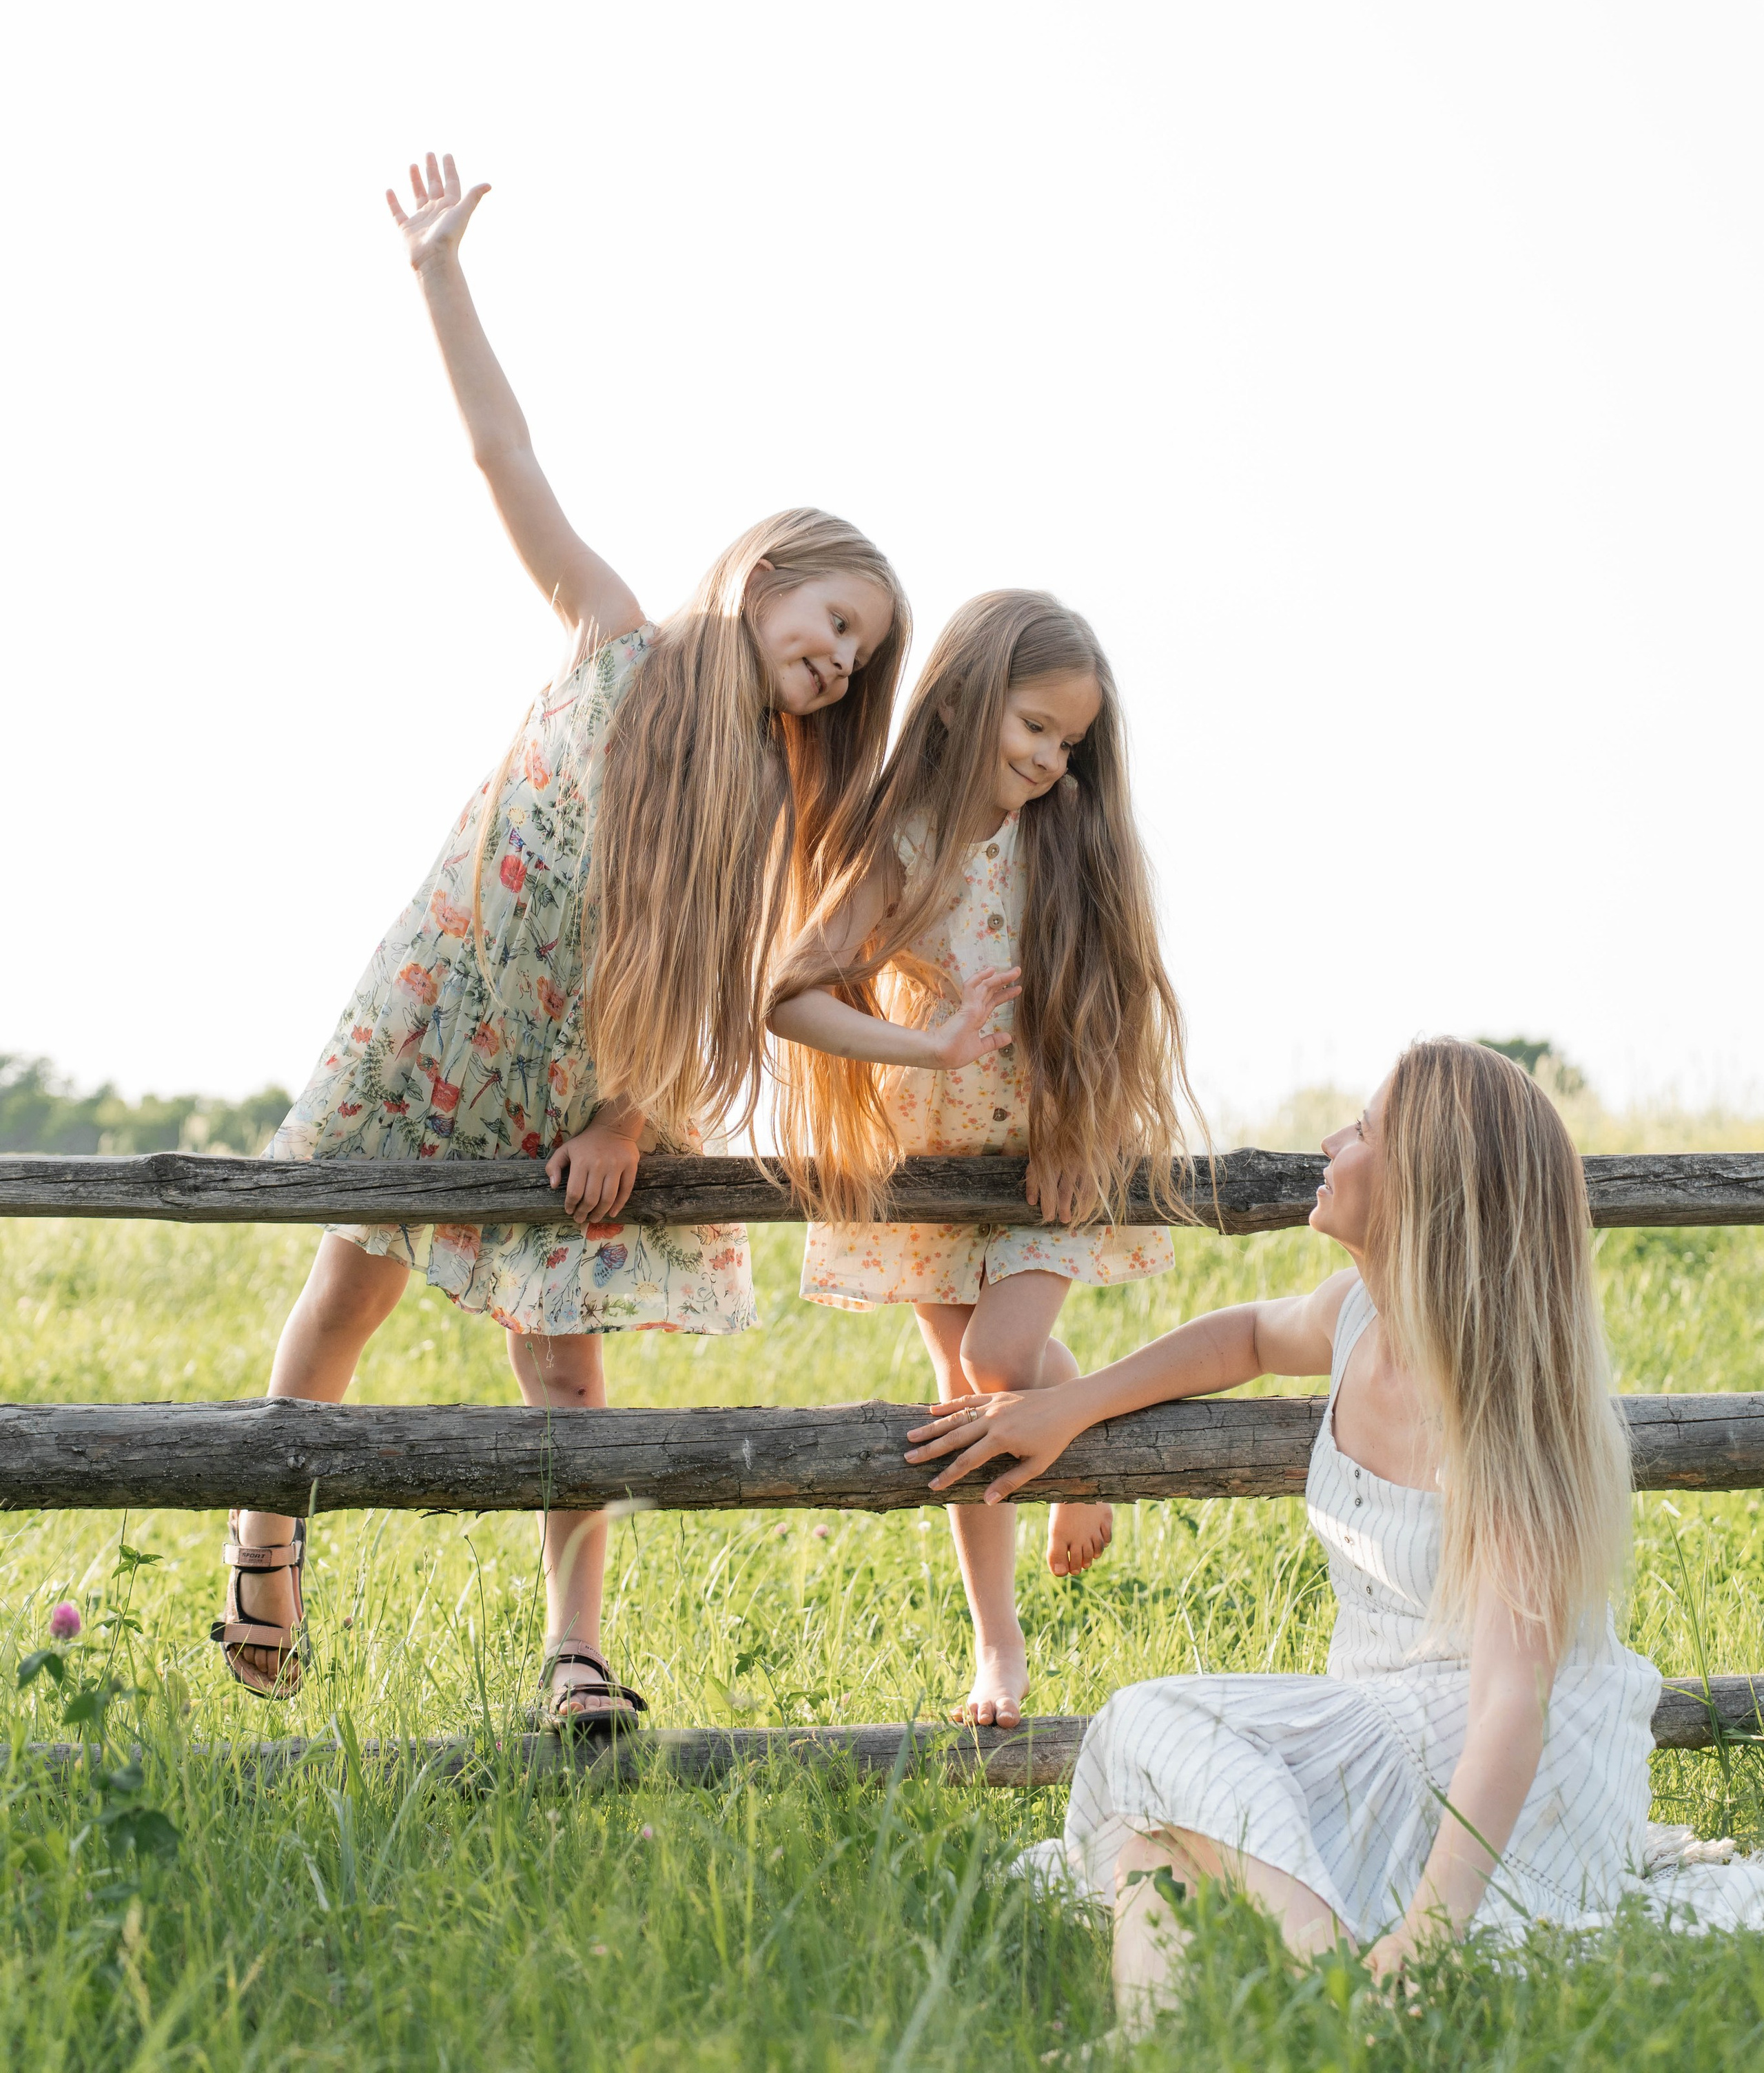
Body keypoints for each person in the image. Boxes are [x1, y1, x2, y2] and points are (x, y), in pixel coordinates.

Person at [214, 152, 907, 1726]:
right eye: (834, 622)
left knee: (567, 1374)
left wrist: (627, 1119)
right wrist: (437, 272)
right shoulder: (612, 634)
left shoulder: (769, 805)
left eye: (859, 655)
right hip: (446, 1028)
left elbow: (723, 991)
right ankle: (263, 1524)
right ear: (769, 574)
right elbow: (501, 452)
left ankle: (572, 1653)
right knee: (346, 1296)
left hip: (574, 1099)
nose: (839, 659)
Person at [905, 1037, 1665, 2023]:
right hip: (1382, 1727)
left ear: (1423, 1184)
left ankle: (1356, 1991)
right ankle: (1164, 2046)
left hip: (1496, 1763)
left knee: (1146, 1726)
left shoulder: (1498, 1409)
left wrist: (1430, 1931)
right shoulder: (1362, 1315)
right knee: (1149, 1836)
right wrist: (1072, 1405)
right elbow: (1248, 1337)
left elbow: (1514, 1700)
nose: (1330, 1139)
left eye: (1363, 1128)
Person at [768, 591, 1199, 1730]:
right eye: (1036, 728)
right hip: (935, 1161)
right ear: (966, 698)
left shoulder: (1068, 841)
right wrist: (922, 1042)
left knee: (1005, 1361)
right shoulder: (900, 842)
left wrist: (1082, 1133)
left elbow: (1112, 1009)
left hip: (1048, 1154)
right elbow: (789, 992)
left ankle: (1083, 1448)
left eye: (1070, 742)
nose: (1053, 760)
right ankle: (996, 1647)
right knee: (965, 1401)